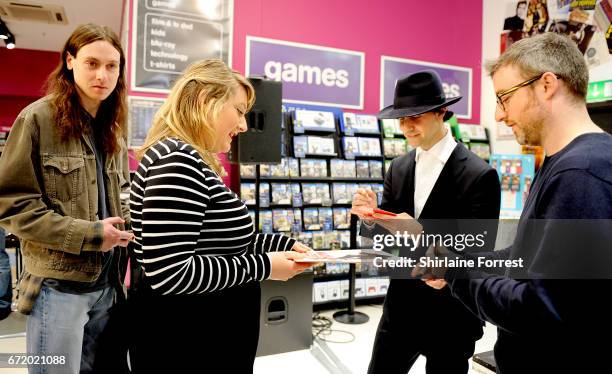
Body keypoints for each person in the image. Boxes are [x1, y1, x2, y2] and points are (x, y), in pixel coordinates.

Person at [421, 33, 612, 373]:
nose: (497, 114)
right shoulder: (562, 163)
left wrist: (456, 274)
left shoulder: (580, 174)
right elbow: (528, 256)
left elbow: (540, 310)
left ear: (547, 85)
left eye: (504, 98)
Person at [127, 59, 315, 373]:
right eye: (239, 110)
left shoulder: (185, 157)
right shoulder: (178, 159)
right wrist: (267, 265)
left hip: (203, 336)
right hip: (191, 343)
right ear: (205, 101)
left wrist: (282, 245)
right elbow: (170, 272)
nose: (244, 125)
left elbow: (222, 241)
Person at [0, 24, 132, 373]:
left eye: (111, 66)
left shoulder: (114, 128)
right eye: (92, 63)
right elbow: (12, 205)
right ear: (70, 61)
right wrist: (89, 234)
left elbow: (119, 196)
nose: (102, 75)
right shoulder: (36, 119)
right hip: (59, 289)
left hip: (110, 287)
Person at [352, 70, 501, 374]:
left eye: (415, 116)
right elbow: (385, 245)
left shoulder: (479, 175)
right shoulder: (398, 168)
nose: (406, 126)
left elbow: (477, 252)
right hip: (401, 309)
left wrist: (419, 234)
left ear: (441, 112)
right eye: (401, 118)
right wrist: (371, 219)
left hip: (452, 314)